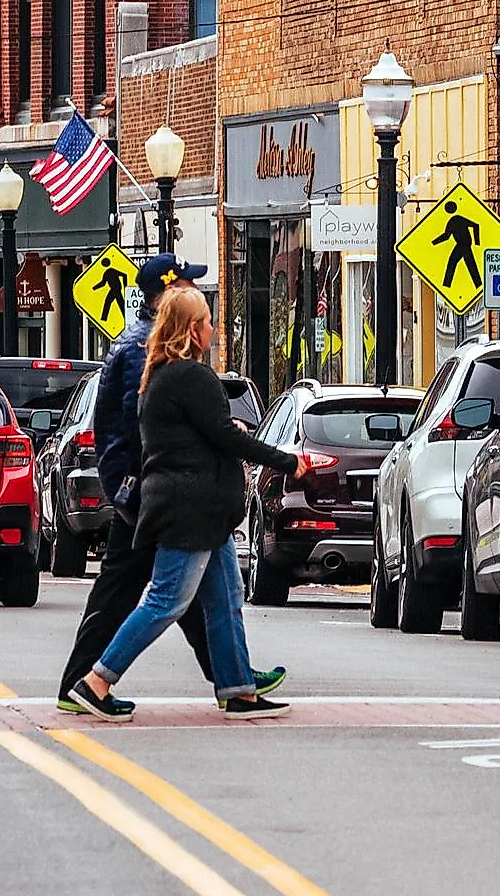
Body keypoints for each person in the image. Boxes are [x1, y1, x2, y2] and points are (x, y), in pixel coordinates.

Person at [67, 286, 303, 723]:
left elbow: (195, 434)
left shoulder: (161, 376)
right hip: (189, 510)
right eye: (209, 322)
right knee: (165, 601)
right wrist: (287, 461)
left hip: (204, 511)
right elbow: (224, 437)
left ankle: (238, 691)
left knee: (226, 596)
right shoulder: (190, 376)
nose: (214, 328)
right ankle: (95, 681)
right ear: (193, 331)